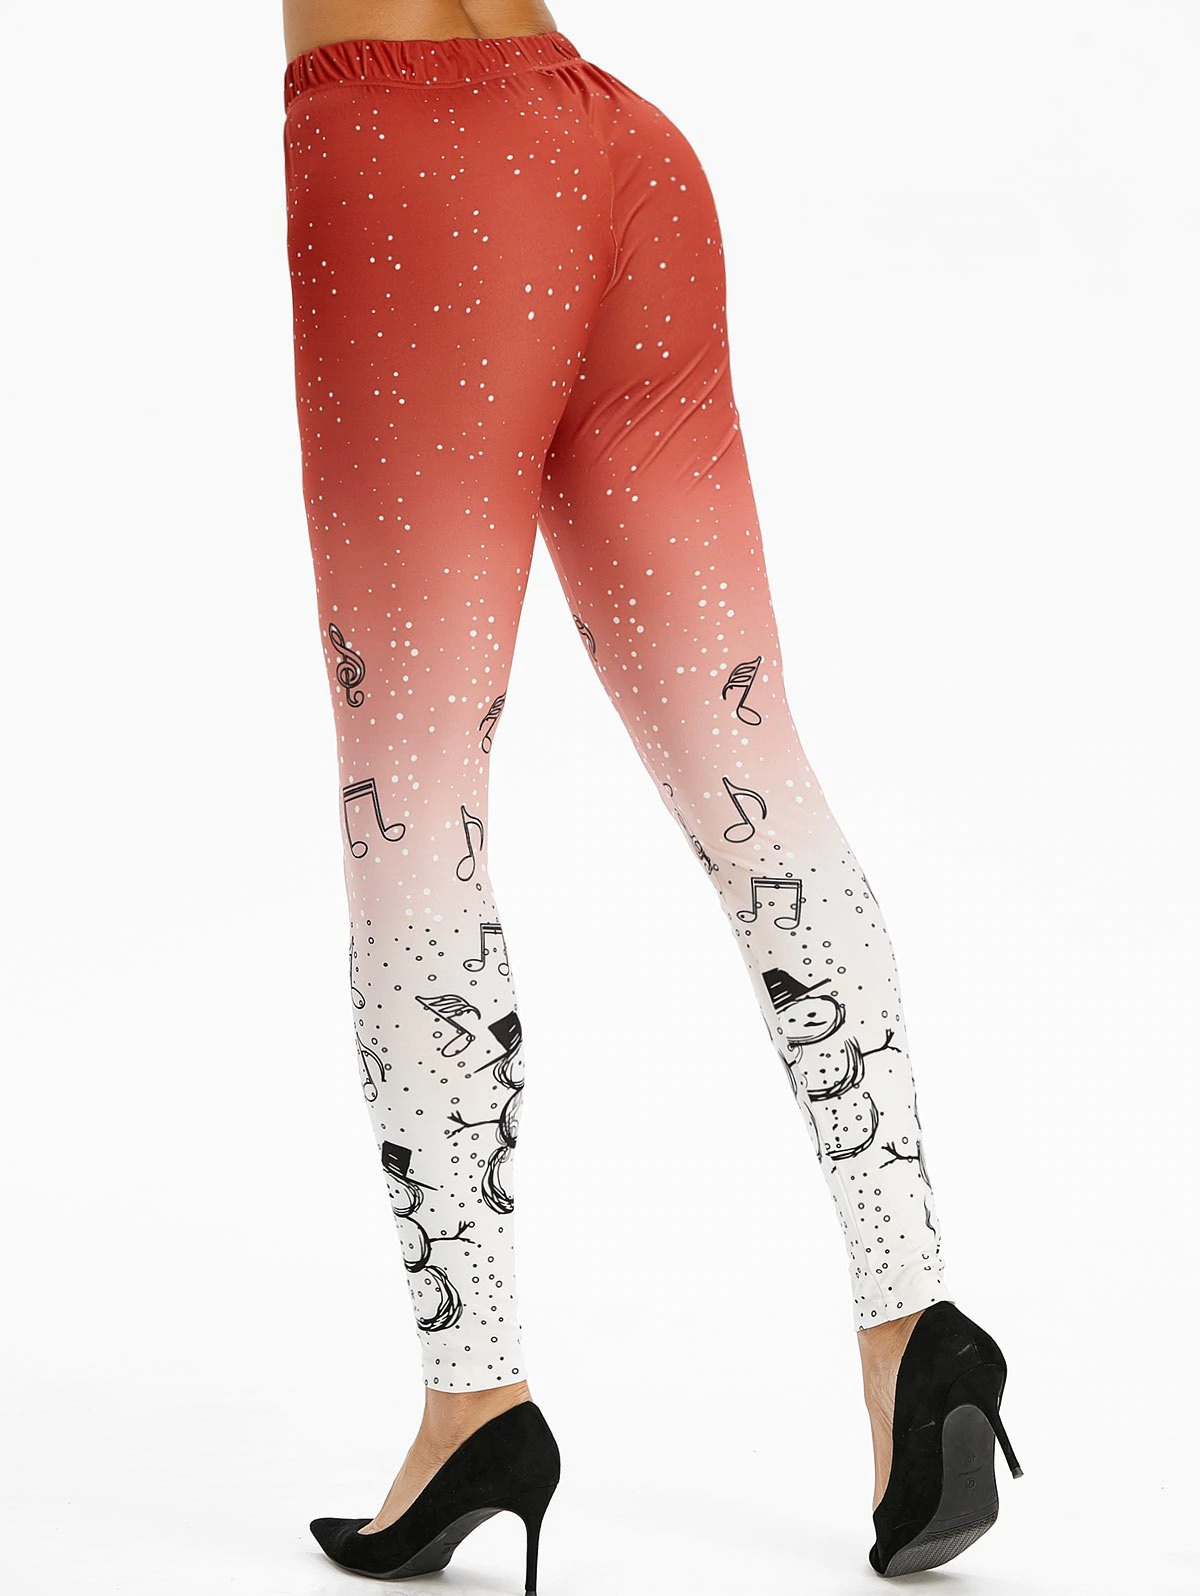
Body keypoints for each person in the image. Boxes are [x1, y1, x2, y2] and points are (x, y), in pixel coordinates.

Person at [280, 2, 1022, 1584]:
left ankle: (473, 1397)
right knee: (756, 768)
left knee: (411, 804)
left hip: (416, 170)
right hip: (618, 148)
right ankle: (919, 1324)